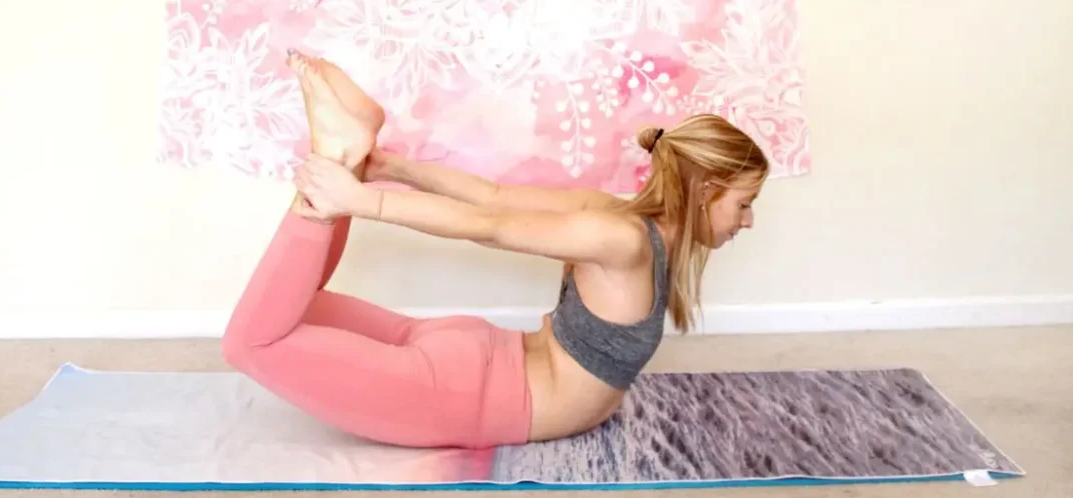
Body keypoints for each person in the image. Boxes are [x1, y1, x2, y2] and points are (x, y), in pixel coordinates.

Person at [221, 51, 769, 450]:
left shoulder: (610, 214)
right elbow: (491, 222)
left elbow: (495, 199)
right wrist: (367, 195)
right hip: (469, 394)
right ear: (704, 192)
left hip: (474, 363)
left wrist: (388, 171)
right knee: (251, 342)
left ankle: (344, 150)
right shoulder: (622, 240)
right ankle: (337, 157)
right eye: (743, 203)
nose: (747, 221)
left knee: (291, 310)